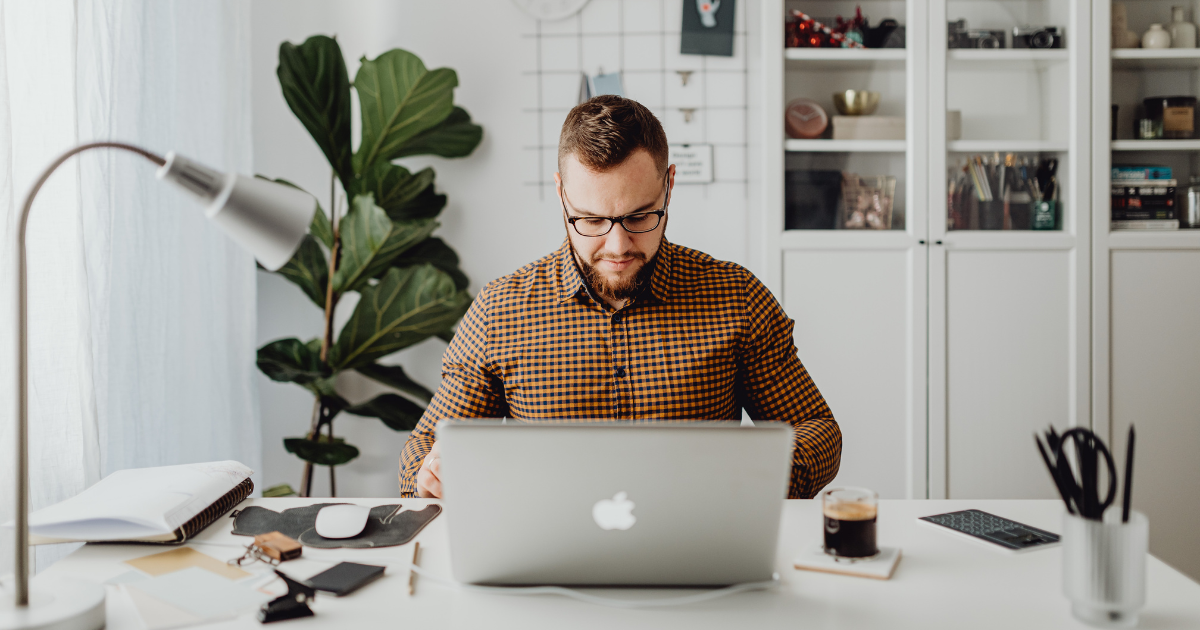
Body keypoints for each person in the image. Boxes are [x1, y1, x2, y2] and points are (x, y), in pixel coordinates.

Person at [398, 95, 840, 499]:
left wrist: (762, 474)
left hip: (699, 551)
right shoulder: (500, 310)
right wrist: (429, 472)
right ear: (561, 194)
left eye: (639, 216)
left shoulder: (735, 297)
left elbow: (818, 430)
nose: (617, 247)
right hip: (547, 559)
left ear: (668, 185)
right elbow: (424, 446)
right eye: (590, 220)